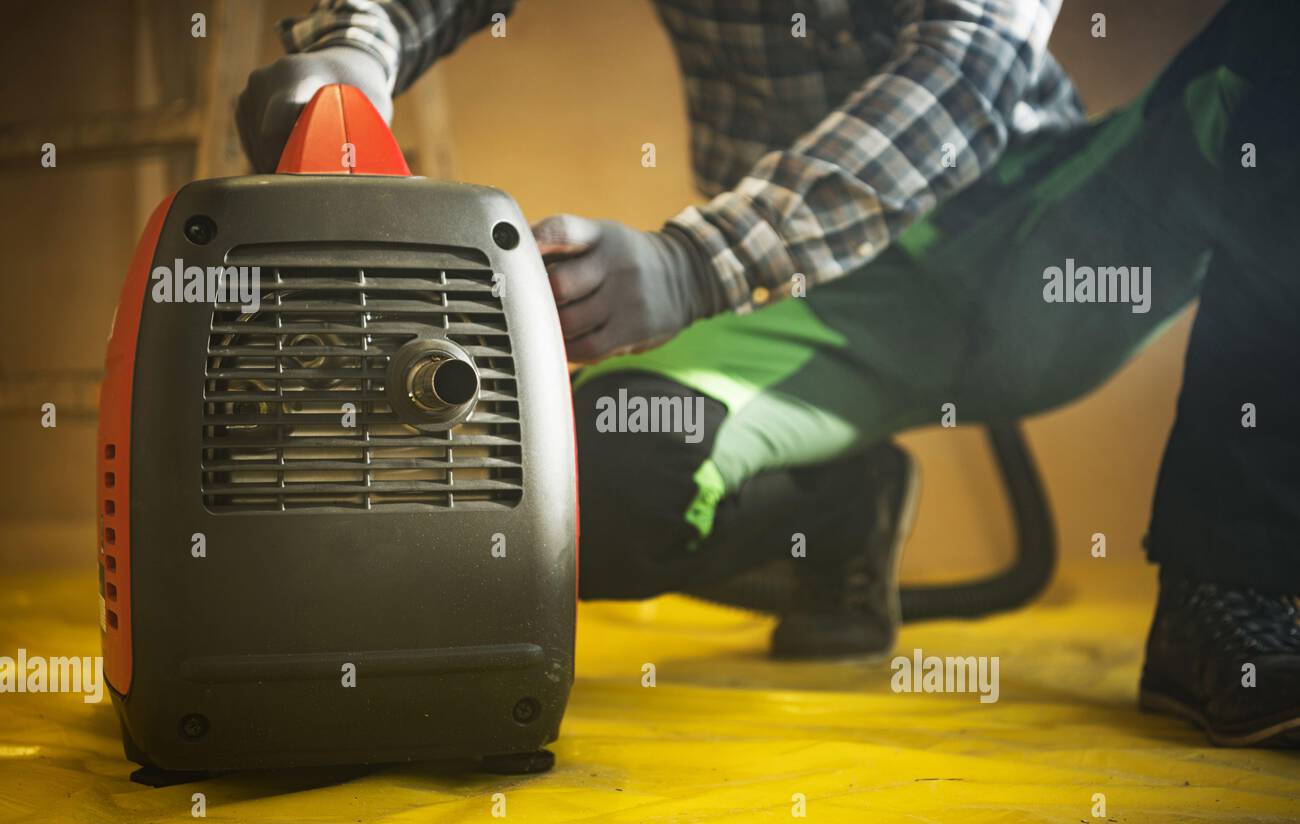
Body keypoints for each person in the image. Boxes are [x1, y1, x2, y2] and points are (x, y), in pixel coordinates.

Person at [238, 0, 1299, 747]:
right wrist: (358, 48)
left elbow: (968, 69)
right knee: (565, 498)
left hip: (1050, 235)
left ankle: (1228, 582)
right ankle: (843, 508)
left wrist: (697, 261)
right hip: (805, 307)